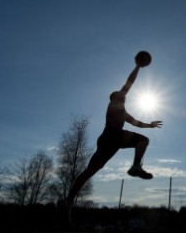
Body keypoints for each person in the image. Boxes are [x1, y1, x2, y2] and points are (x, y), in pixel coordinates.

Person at [65, 51, 162, 206]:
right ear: (115, 97)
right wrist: (137, 67)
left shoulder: (123, 112)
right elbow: (128, 83)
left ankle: (68, 199)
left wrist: (150, 125)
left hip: (109, 141)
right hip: (113, 136)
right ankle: (136, 166)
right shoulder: (115, 103)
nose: (124, 97)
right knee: (143, 141)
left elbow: (136, 123)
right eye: (121, 95)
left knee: (91, 170)